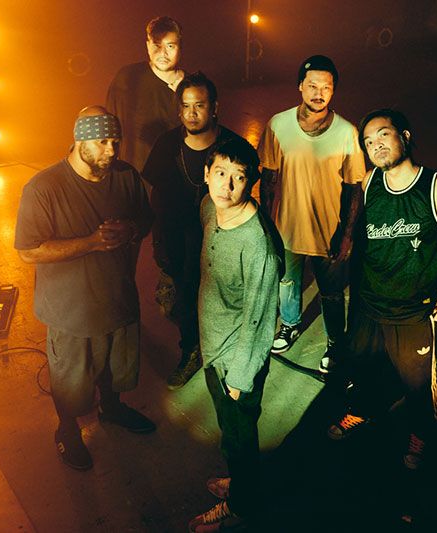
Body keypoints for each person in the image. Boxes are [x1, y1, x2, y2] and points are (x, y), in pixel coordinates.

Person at [327, 109, 437, 471]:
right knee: (361, 368)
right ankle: (362, 410)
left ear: (405, 136)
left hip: (413, 310)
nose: (375, 145)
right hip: (368, 305)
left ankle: (422, 433)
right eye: (368, 141)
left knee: (417, 386)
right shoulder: (368, 184)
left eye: (383, 134)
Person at [14, 106, 155, 472]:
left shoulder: (125, 176)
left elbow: (145, 218)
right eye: (103, 142)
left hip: (118, 297)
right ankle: (67, 430)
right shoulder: (44, 188)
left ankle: (112, 408)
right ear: (80, 141)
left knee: (116, 367)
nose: (112, 150)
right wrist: (91, 242)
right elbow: (28, 251)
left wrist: (131, 230)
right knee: (71, 381)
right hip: (72, 309)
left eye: (116, 142)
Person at [188, 137, 281, 532]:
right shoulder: (210, 208)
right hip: (214, 348)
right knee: (231, 432)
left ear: (251, 182)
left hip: (236, 360)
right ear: (206, 174)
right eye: (220, 173)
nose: (226, 186)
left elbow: (260, 319)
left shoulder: (258, 245)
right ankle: (242, 482)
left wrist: (240, 379)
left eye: (238, 177)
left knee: (239, 436)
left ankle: (242, 505)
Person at [258, 54, 366, 373]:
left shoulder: (347, 132)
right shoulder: (278, 125)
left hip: (328, 232)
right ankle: (290, 325)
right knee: (287, 282)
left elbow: (354, 187)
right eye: (313, 86)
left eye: (326, 87)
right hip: (287, 228)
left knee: (331, 294)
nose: (319, 93)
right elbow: (269, 178)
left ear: (334, 90)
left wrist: (347, 235)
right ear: (300, 87)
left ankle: (335, 343)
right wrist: (267, 226)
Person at [142, 72, 242, 390]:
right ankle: (191, 352)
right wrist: (159, 243)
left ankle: (223, 352)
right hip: (178, 241)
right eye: (186, 106)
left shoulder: (233, 146)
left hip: (221, 241)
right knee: (184, 301)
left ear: (214, 107)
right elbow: (155, 196)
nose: (192, 113)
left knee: (223, 299)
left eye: (199, 105)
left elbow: (247, 201)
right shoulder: (167, 145)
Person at [106, 15, 185, 174]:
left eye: (170, 46)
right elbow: (110, 126)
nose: (163, 53)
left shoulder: (192, 87)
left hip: (176, 177)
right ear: (148, 46)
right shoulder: (127, 79)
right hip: (133, 175)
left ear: (180, 46)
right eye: (157, 45)